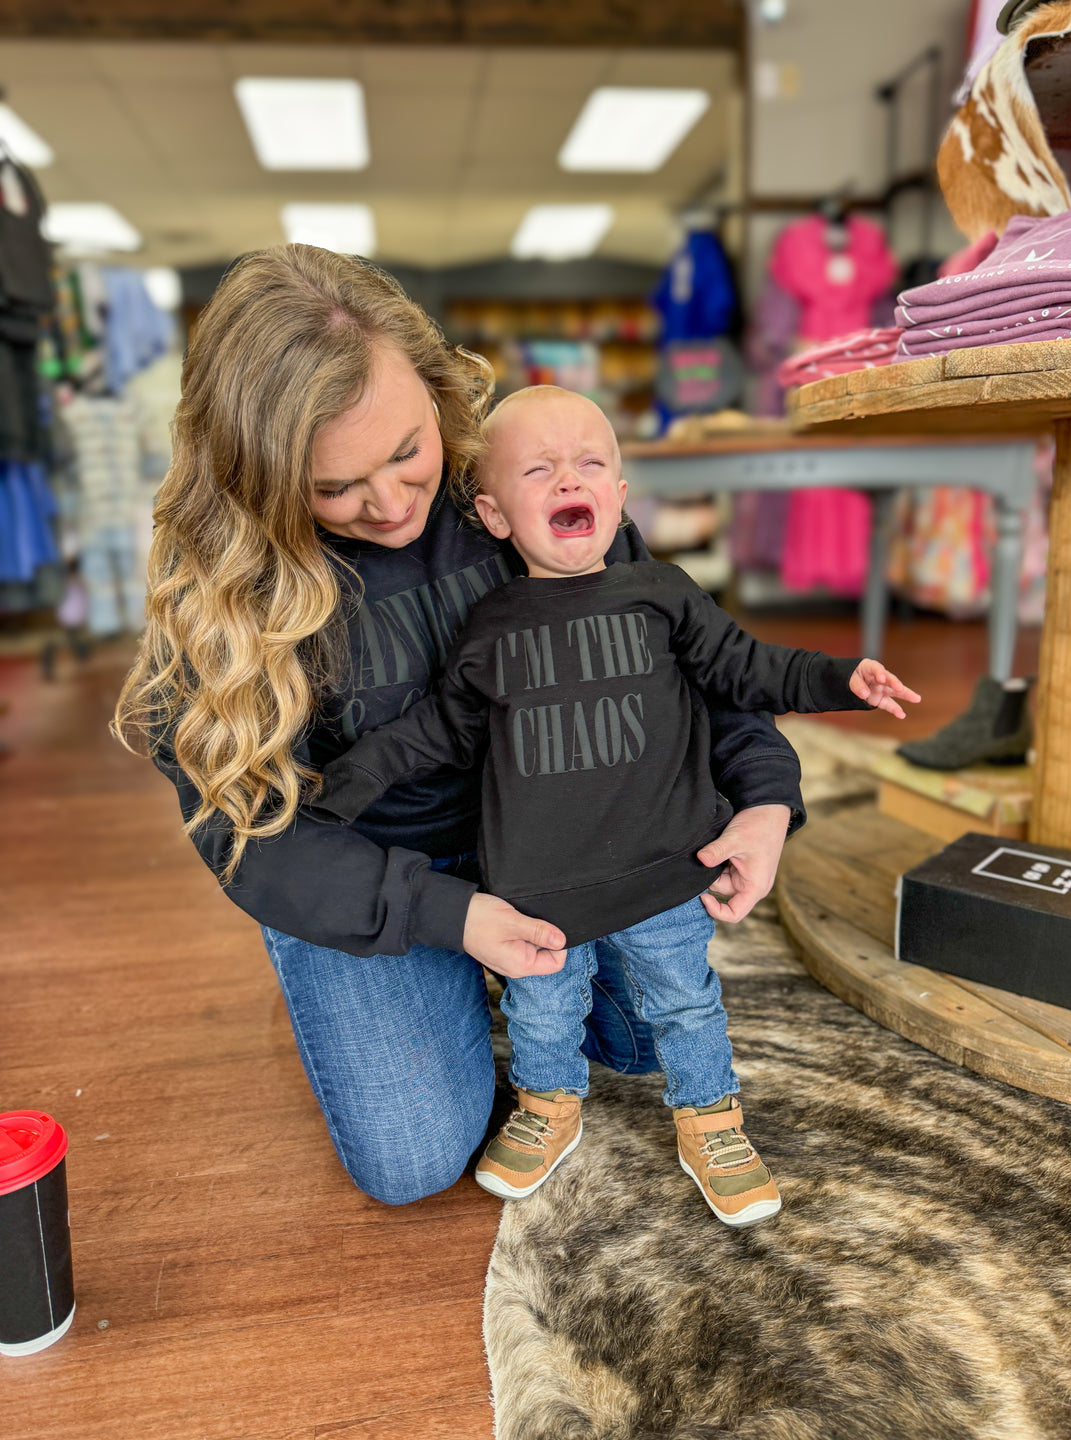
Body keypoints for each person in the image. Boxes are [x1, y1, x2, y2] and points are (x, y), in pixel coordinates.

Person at [113, 245, 809, 1209]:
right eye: (334, 489)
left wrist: (767, 800)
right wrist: (449, 919)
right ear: (261, 478)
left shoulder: (524, 478)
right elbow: (248, 831)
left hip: (562, 835)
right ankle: (350, 954)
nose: (392, 505)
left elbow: (695, 659)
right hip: (385, 864)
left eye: (407, 452)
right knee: (414, 1160)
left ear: (438, 394)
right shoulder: (230, 595)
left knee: (647, 1046)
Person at [312, 385, 920, 1226]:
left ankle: (711, 1118)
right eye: (540, 469)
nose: (570, 478)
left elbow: (746, 670)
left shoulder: (661, 594)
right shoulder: (491, 626)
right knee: (542, 1006)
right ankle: (549, 1107)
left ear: (621, 498)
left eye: (591, 464)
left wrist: (836, 679)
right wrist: (338, 789)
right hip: (540, 888)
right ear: (494, 515)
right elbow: (435, 733)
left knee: (684, 1001)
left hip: (666, 871)